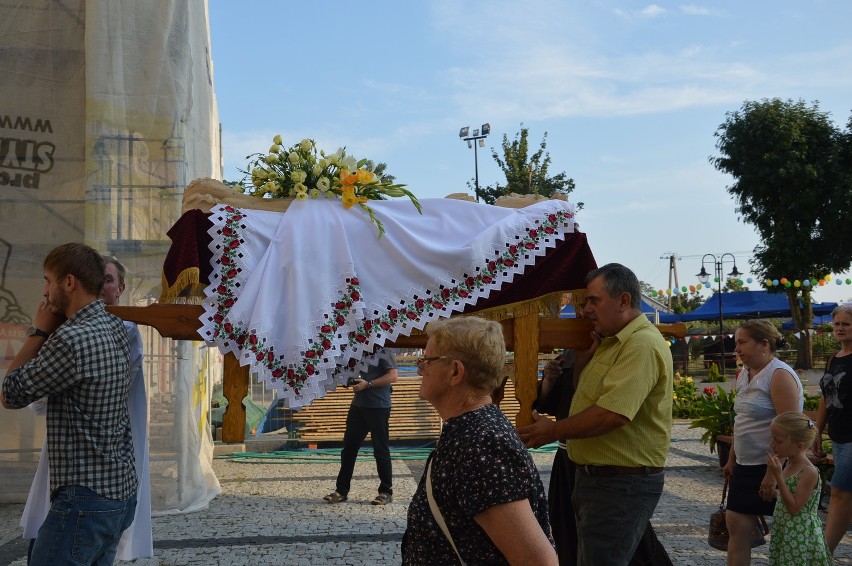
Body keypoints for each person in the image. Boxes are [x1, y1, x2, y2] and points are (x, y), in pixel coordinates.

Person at [517, 263, 673, 566]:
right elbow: (584, 400)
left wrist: (552, 431)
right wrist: (582, 362)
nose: (586, 309)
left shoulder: (640, 344)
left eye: (593, 301)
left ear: (624, 301)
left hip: (620, 482)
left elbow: (611, 415)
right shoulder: (608, 342)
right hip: (595, 478)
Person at [1, 243, 138, 565]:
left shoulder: (72, 339)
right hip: (118, 491)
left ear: (69, 282)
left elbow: (11, 394)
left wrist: (38, 331)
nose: (44, 291)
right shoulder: (113, 325)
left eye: (47, 280)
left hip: (85, 500)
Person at [401, 316, 557, 565]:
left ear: (455, 371)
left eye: (427, 360)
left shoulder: (480, 442)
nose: (421, 368)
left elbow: (538, 561)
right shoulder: (471, 431)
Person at [534, 351, 673, 566]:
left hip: (610, 465)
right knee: (568, 532)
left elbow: (611, 413)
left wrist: (553, 431)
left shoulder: (620, 352)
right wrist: (549, 381)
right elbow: (550, 404)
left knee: (623, 540)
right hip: (569, 461)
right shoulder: (569, 356)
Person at [722, 319, 803, 566]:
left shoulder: (779, 375)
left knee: (786, 537)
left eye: (742, 342)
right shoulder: (745, 374)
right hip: (745, 467)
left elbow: (789, 430)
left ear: (764, 344)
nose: (736, 349)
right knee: (736, 529)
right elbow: (741, 420)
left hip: (777, 468)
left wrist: (772, 472)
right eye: (736, 342)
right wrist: (731, 459)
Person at [324, 347, 398, 505]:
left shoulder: (383, 350)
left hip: (379, 406)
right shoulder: (356, 349)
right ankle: (341, 491)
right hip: (359, 405)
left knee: (380, 449)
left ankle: (386, 491)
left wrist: (368, 384)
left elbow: (393, 376)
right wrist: (346, 380)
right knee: (349, 449)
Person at [767, 411, 833, 564]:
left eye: (777, 440)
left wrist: (777, 476)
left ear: (799, 446)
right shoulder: (789, 463)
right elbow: (789, 494)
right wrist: (774, 493)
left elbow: (794, 508)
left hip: (799, 534)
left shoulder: (808, 472)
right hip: (786, 530)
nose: (772, 444)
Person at [814, 303, 852, 553]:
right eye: (837, 324)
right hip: (838, 436)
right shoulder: (832, 358)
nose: (839, 328)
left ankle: (823, 553)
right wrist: (816, 430)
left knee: (839, 491)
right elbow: (825, 397)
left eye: (846, 324)